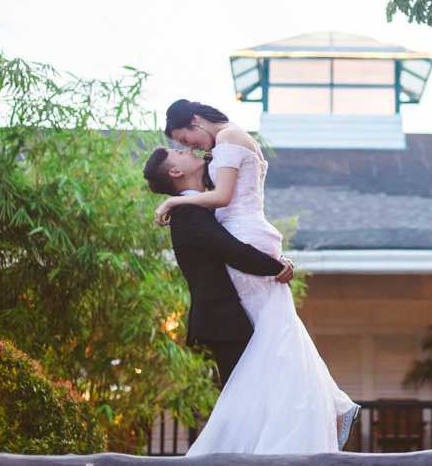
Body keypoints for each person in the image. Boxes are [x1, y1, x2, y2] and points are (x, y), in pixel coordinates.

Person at [151, 99, 359, 454]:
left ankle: (329, 408)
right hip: (245, 248)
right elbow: (226, 228)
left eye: (184, 138)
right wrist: (277, 263)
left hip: (245, 240)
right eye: (180, 147)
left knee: (274, 338)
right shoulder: (226, 146)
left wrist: (175, 202)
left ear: (196, 121)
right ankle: (331, 406)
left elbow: (224, 197)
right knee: (277, 335)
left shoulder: (228, 140)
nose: (189, 147)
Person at [143, 146, 294, 388]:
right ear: (176, 171)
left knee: (258, 395)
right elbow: (234, 251)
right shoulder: (186, 213)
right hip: (224, 320)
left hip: (234, 315)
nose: (188, 149)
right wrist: (279, 268)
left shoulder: (198, 206)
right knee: (246, 398)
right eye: (179, 151)